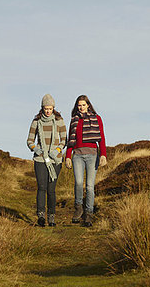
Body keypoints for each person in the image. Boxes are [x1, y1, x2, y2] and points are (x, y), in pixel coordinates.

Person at [65, 95, 107, 227]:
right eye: (79, 105)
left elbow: (102, 138)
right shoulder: (74, 120)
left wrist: (103, 155)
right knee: (78, 183)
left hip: (92, 155)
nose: (81, 107)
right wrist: (67, 156)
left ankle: (89, 213)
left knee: (89, 186)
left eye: (83, 105)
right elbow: (70, 140)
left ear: (88, 105)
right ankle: (78, 209)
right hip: (77, 155)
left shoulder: (97, 118)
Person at [27, 94, 67, 227]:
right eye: (46, 108)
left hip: (55, 160)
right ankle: (41, 216)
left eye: (50, 108)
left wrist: (57, 151)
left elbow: (64, 140)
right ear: (42, 108)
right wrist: (37, 150)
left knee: (51, 189)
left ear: (53, 108)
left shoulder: (59, 121)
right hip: (40, 159)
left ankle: (51, 217)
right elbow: (30, 141)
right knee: (42, 188)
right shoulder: (36, 122)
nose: (48, 111)